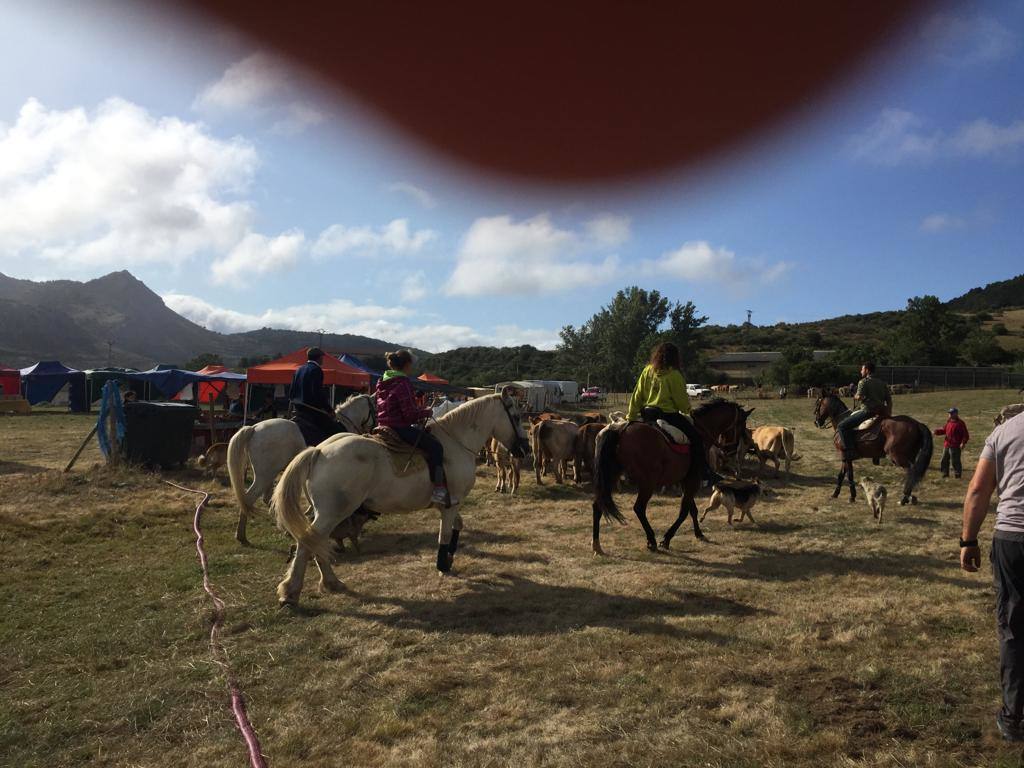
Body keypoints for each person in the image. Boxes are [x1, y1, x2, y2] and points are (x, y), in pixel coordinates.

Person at [960, 409, 1024, 741]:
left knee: (1013, 627)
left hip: (1012, 538)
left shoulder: (1004, 431)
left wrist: (968, 540)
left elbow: (978, 490)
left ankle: (1014, 716)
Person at [626, 341, 720, 486]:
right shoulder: (674, 375)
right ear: (675, 358)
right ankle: (703, 474)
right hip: (668, 416)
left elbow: (637, 395)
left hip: (647, 415)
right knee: (696, 438)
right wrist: (688, 411)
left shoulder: (647, 371)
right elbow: (681, 402)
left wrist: (631, 417)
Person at [376, 349, 450, 506]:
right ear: (407, 364)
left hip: (382, 426)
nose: (412, 368)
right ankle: (438, 490)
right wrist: (426, 412)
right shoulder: (403, 382)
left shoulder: (382, 380)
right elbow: (409, 415)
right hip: (399, 428)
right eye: (411, 364)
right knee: (436, 447)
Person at [289, 347, 346, 445]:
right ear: (319, 358)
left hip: (297, 410)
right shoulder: (316, 369)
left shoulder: (299, 369)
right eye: (322, 357)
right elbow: (318, 393)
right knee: (336, 431)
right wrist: (329, 410)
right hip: (311, 411)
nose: (322, 359)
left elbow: (291, 392)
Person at [838, 362, 892, 461]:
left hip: (867, 411)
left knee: (842, 426)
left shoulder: (863, 382)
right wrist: (888, 412)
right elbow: (888, 400)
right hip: (881, 412)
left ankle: (850, 451)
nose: (861, 371)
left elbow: (858, 397)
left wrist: (855, 395)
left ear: (867, 370)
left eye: (862, 369)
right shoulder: (882, 382)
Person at [935, 407, 970, 479]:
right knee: (944, 460)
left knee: (955, 461)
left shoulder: (960, 423)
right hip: (946, 445)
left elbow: (965, 435)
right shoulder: (949, 422)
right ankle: (945, 473)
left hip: (955, 446)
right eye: (949, 413)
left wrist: (963, 443)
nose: (949, 415)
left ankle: (958, 475)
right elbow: (944, 430)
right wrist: (936, 432)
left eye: (951, 413)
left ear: (956, 414)